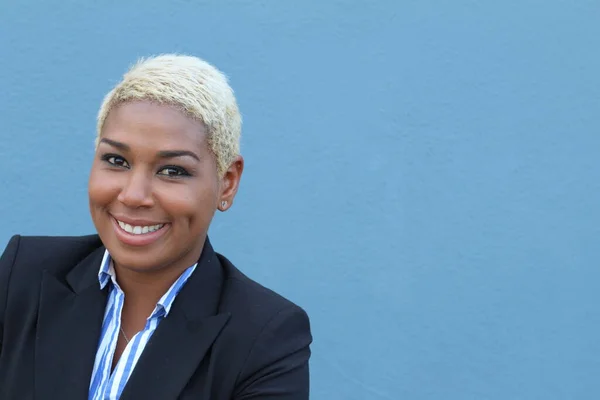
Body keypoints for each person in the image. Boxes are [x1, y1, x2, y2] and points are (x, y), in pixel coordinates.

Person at [0, 54, 312, 399]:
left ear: (227, 183)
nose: (133, 196)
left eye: (173, 170)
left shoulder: (265, 338)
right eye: (116, 161)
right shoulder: (24, 275)